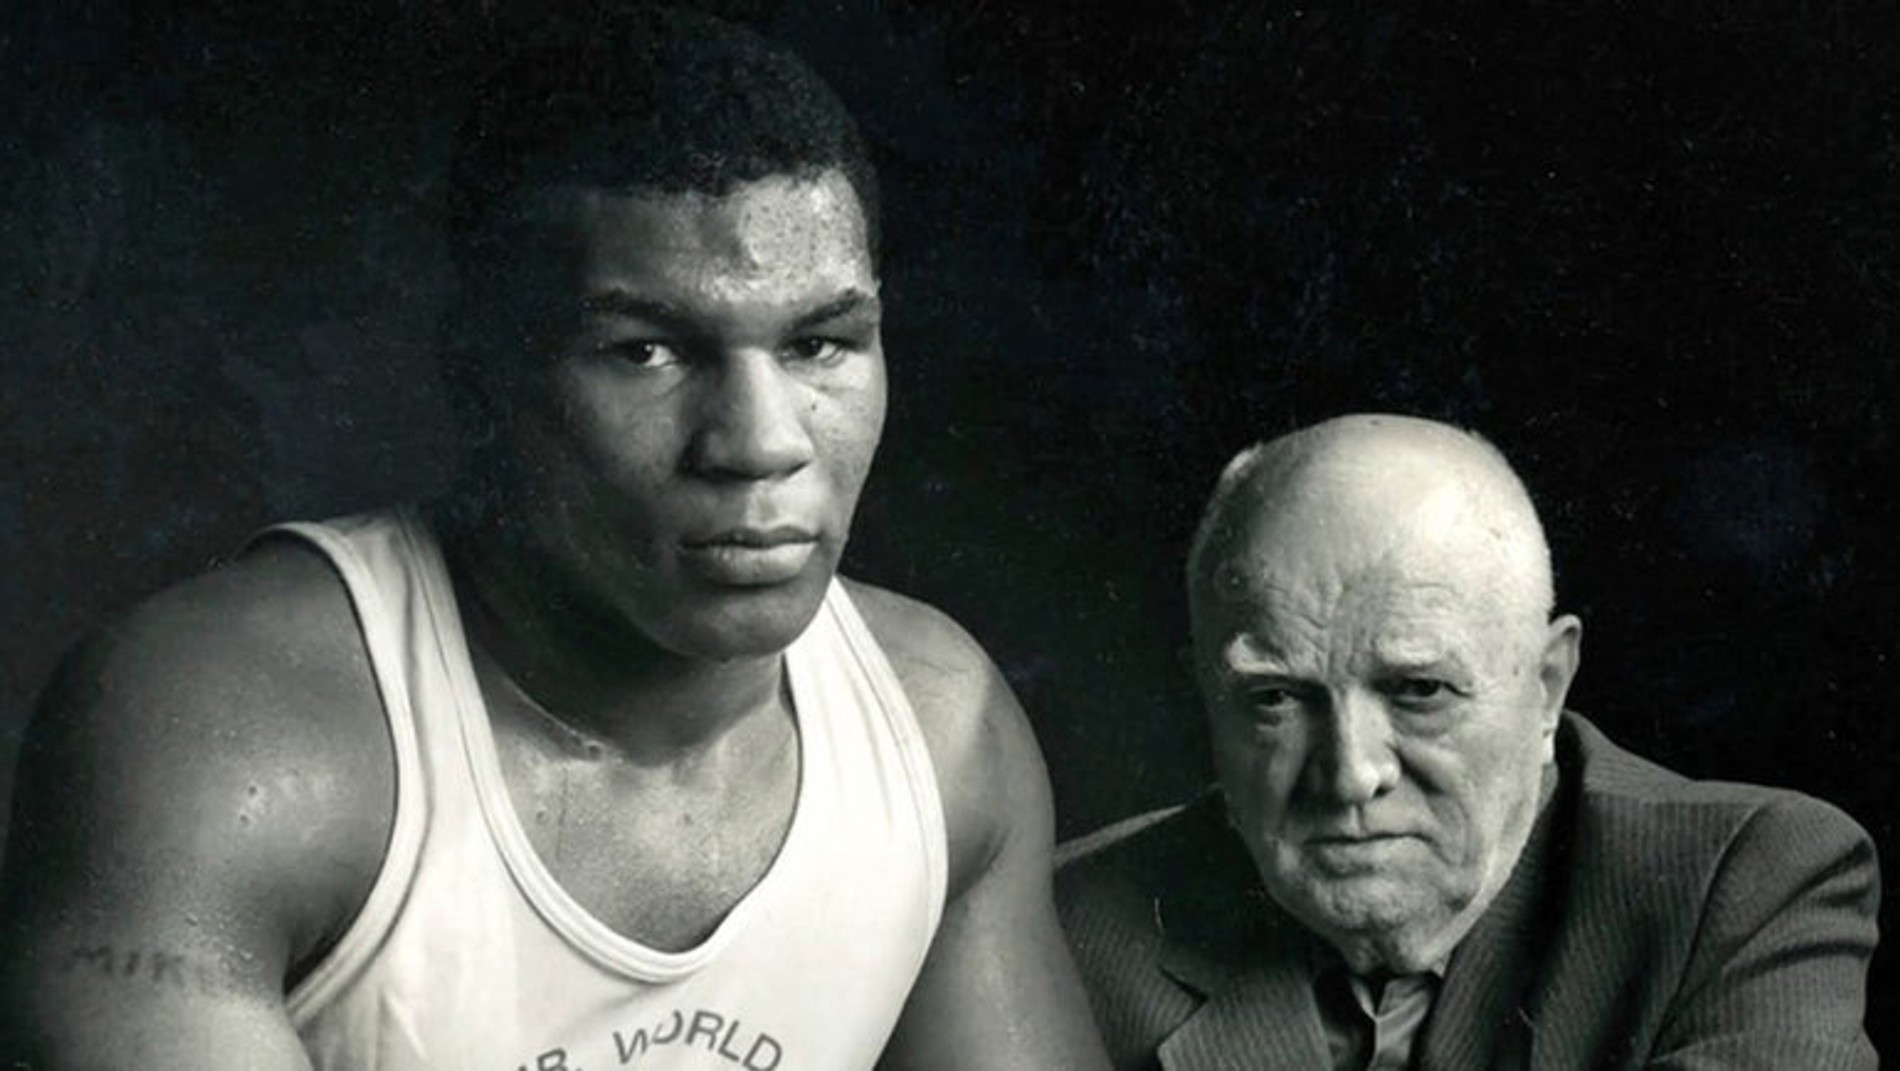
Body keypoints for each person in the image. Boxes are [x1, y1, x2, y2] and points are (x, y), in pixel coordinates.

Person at [0, 8, 1109, 1069]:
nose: (761, 443)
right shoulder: (229, 730)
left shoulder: (935, 726)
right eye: (645, 351)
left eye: (819, 344)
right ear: (480, 369)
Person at [1055, 413, 1878, 1070]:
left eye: (1419, 691)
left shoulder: (1744, 882)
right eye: (1274, 698)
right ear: (1207, 697)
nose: (1351, 774)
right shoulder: (1064, 923)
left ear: (1547, 686)